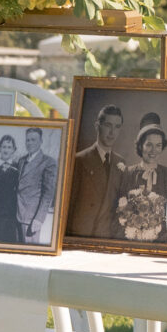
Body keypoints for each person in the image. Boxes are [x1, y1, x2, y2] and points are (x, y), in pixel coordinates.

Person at [69, 102, 126, 240]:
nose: (112, 132)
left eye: (117, 127)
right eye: (108, 125)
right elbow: (69, 205)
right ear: (97, 126)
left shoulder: (121, 163)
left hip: (107, 235)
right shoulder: (79, 160)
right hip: (81, 234)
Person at [115, 117, 167, 243]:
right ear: (140, 146)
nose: (153, 150)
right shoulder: (128, 173)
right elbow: (118, 211)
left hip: (161, 241)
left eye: (158, 145)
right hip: (130, 239)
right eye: (149, 145)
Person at [15, 124, 58, 245]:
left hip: (31, 218)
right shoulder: (21, 160)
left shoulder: (48, 162)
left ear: (41, 141)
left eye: (33, 140)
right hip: (16, 214)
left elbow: (48, 193)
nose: (29, 143)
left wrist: (39, 218)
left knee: (28, 251)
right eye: (27, 140)